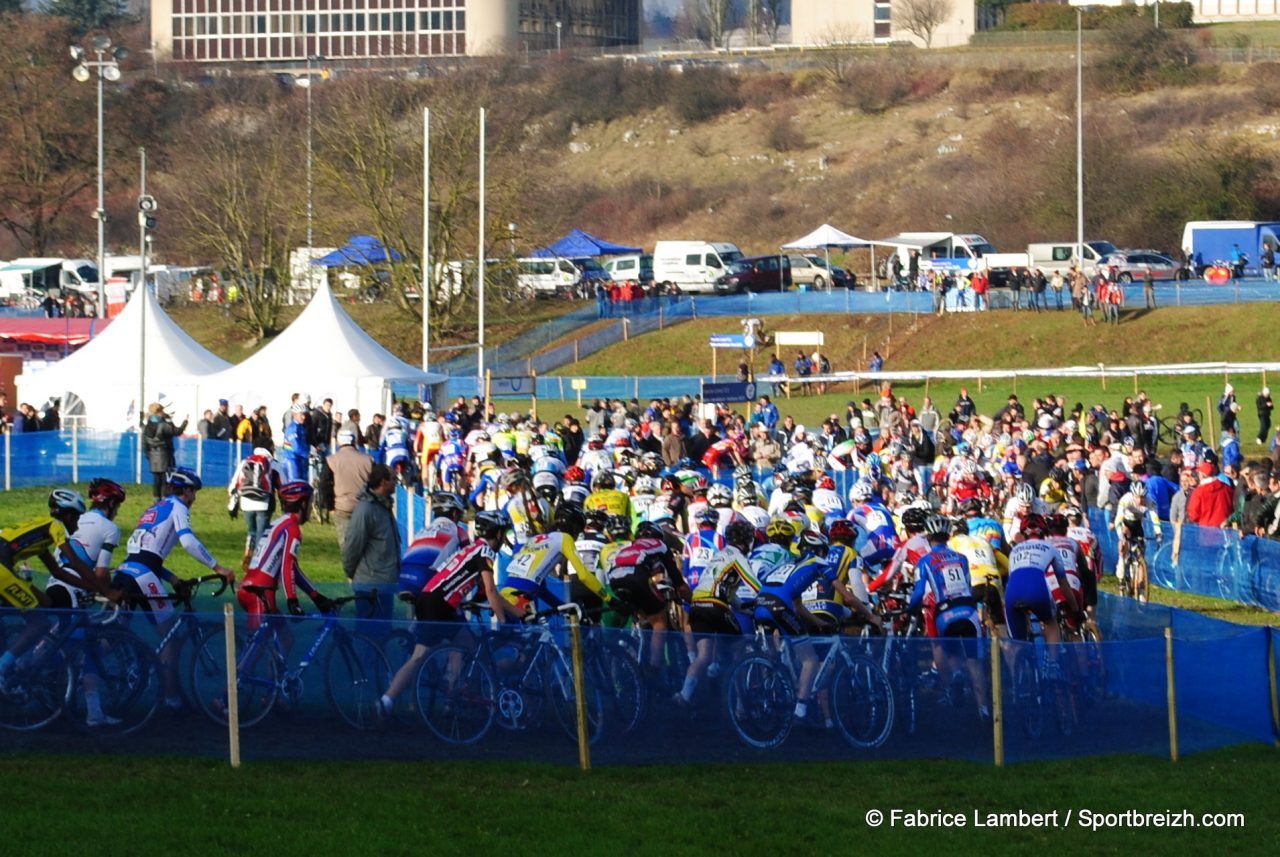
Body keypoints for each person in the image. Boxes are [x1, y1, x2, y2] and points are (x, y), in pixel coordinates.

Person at [376, 510, 521, 719]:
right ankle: (448, 700)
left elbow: (487, 593)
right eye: (504, 533)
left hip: (430, 598)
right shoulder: (486, 552)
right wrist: (504, 621)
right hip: (441, 605)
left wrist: (517, 612)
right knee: (433, 654)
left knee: (465, 647)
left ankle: (389, 701)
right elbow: (491, 591)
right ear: (498, 534)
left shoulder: (473, 548)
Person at [112, 469, 237, 711]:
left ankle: (83, 667)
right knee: (172, 636)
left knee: (115, 635)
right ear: (187, 491)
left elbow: (145, 554)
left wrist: (172, 578)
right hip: (143, 575)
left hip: (126, 570)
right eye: (194, 492)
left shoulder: (155, 508)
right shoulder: (179, 507)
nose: (195, 498)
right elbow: (188, 541)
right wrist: (218, 567)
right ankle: (170, 698)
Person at [0, 490, 112, 700]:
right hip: (2, 570)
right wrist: (104, 590)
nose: (78, 523)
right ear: (68, 515)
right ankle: (4, 666)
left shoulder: (41, 530)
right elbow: (76, 563)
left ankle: (23, 657)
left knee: (45, 602)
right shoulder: (56, 527)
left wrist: (90, 587)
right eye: (77, 517)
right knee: (40, 624)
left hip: (5, 567)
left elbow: (58, 571)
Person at [909, 515, 988, 718]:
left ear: (928, 538)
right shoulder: (961, 558)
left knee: (952, 654)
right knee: (975, 662)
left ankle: (956, 676)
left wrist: (910, 608)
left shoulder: (925, 561)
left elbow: (919, 592)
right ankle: (983, 710)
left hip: (944, 612)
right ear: (948, 536)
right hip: (968, 611)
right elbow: (968, 587)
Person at [675, 520, 760, 707]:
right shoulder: (738, 556)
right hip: (714, 605)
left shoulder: (720, 555)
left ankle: (684, 695)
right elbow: (755, 585)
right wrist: (767, 600)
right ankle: (736, 697)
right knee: (740, 644)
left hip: (697, 605)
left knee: (703, 655)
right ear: (747, 541)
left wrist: (742, 606)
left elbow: (728, 593)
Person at [237, 481, 333, 630]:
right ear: (302, 504)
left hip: (250, 587)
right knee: (257, 648)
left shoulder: (281, 522)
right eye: (310, 503)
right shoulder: (292, 528)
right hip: (261, 592)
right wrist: (292, 600)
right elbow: (287, 566)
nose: (311, 508)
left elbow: (292, 568)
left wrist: (315, 595)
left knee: (285, 639)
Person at [341, 464, 400, 630]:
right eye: (393, 479)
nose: (396, 483)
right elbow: (352, 546)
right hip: (370, 587)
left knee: (382, 636)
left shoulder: (384, 507)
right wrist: (353, 573)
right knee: (369, 637)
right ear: (383, 482)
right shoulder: (366, 510)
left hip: (384, 585)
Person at [228, 447, 281, 568]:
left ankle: (248, 553)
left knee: (251, 531)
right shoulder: (273, 463)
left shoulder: (246, 461)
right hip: (264, 502)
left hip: (246, 501)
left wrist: (232, 500)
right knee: (261, 534)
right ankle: (258, 563)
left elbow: (234, 484)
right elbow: (282, 484)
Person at [328, 428, 373, 544]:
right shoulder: (368, 460)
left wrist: (330, 506)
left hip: (342, 506)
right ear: (354, 442)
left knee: (346, 542)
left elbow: (325, 485)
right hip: (364, 506)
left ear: (339, 442)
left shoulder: (331, 460)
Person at [143, 403, 188, 501]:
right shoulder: (162, 425)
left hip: (152, 455)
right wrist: (185, 421)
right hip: (163, 454)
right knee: (165, 479)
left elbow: (144, 442)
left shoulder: (147, 426)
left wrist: (148, 454)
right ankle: (164, 499)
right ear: (158, 412)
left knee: (156, 479)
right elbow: (177, 432)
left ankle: (156, 499)